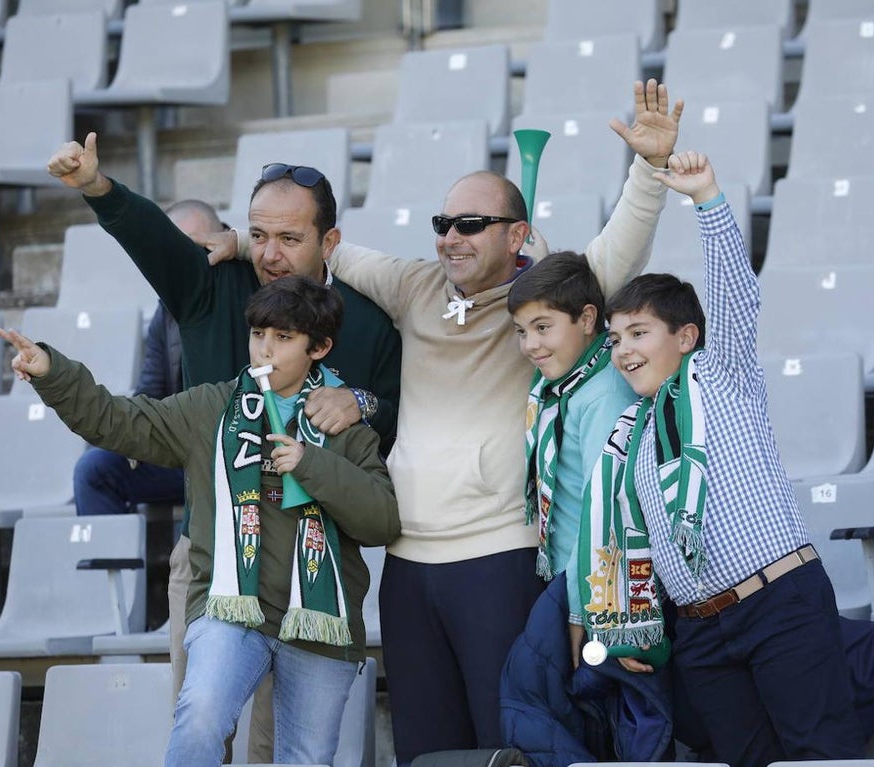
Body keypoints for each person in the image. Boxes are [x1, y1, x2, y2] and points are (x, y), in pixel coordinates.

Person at [206, 78, 685, 764]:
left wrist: (650, 167)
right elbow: (321, 249)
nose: (452, 237)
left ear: (516, 234)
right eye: (443, 224)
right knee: (426, 751)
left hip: (499, 558)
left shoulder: (545, 302)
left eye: (471, 224)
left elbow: (620, 250)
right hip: (408, 565)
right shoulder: (414, 285)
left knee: (506, 747)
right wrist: (241, 240)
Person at [46, 140, 401, 756]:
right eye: (257, 235)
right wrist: (99, 187)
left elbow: (395, 426)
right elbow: (154, 242)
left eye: (289, 238)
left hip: (313, 572)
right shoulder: (212, 283)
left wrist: (363, 402)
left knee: (280, 750)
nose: (269, 254)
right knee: (201, 722)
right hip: (214, 556)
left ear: (329, 241)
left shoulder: (368, 321)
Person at [0, 275, 400, 766]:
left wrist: (311, 464)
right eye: (258, 334)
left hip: (320, 625)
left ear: (319, 348)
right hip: (229, 611)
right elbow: (120, 422)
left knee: (307, 760)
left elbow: (382, 523)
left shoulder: (343, 426)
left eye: (283, 337)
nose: (264, 349)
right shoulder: (211, 407)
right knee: (199, 718)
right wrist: (52, 373)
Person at [602, 150, 865, 767]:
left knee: (821, 756)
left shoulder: (722, 376)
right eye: (614, 339)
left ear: (687, 337)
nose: (623, 350)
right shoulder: (631, 432)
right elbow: (632, 539)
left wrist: (706, 200)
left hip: (778, 602)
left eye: (638, 333)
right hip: (699, 630)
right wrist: (628, 623)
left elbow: (736, 297)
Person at [507, 251, 649, 663]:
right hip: (569, 581)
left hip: (595, 595)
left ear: (587, 319)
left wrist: (578, 612)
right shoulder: (562, 387)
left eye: (542, 327)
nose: (530, 345)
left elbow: (604, 510)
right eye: (521, 332)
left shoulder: (604, 394)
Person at [73, 199, 226, 517]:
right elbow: (150, 391)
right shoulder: (166, 311)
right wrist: (131, 436)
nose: (186, 259)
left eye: (196, 248)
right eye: (175, 250)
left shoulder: (248, 297)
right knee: (95, 469)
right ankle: (112, 553)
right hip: (184, 453)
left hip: (238, 455)